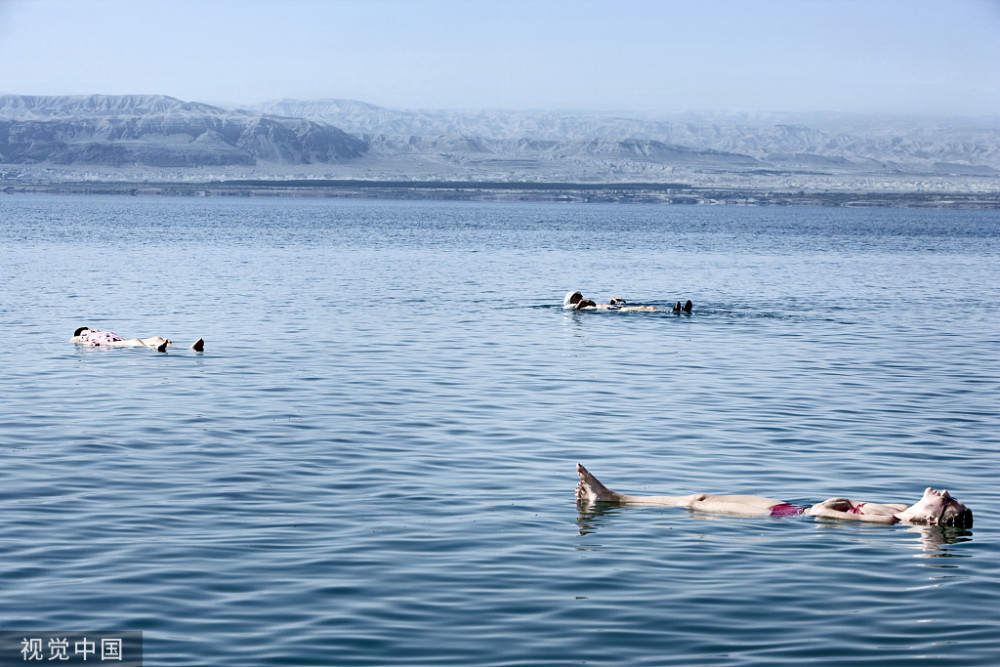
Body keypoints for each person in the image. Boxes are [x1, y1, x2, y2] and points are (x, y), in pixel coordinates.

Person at [575, 463, 972, 527]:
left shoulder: (888, 521)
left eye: (948, 499)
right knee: (699, 496)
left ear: (934, 518)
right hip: (790, 508)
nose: (945, 491)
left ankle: (610, 500)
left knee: (698, 506)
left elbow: (824, 516)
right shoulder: (901, 508)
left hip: (788, 517)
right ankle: (613, 498)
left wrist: (827, 506)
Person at [72, 327, 204, 352]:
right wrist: (89, 342)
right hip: (109, 345)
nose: (89, 329)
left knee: (157, 338)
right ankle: (155, 349)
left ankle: (189, 349)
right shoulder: (80, 336)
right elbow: (73, 341)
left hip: (119, 341)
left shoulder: (98, 331)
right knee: (135, 341)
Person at [563, 291, 690, 313]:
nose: (581, 297)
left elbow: (598, 307)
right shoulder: (573, 307)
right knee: (646, 308)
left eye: (581, 295)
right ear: (572, 300)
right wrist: (581, 304)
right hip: (616, 311)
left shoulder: (583, 305)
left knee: (646, 307)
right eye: (577, 296)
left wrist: (612, 301)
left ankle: (678, 310)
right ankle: (673, 312)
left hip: (612, 308)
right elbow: (575, 310)